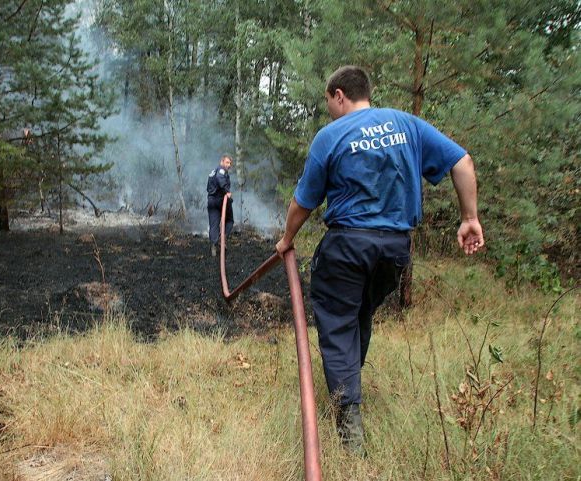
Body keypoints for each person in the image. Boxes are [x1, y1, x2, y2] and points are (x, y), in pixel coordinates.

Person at [274, 65, 484, 455]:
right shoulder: (407, 125)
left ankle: (349, 427)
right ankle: (349, 385)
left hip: (348, 245)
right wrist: (469, 218)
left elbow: (304, 201)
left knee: (338, 321)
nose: (330, 110)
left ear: (339, 95)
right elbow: (463, 162)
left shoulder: (331, 135)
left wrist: (287, 239)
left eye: (329, 102)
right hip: (395, 250)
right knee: (361, 312)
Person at [207, 154, 234, 256]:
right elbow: (220, 178)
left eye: (230, 163)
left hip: (211, 200)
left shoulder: (212, 172)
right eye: (227, 162)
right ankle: (222, 239)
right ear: (221, 162)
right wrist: (227, 191)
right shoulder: (221, 170)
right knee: (230, 220)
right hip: (221, 200)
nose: (229, 165)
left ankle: (214, 244)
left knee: (213, 224)